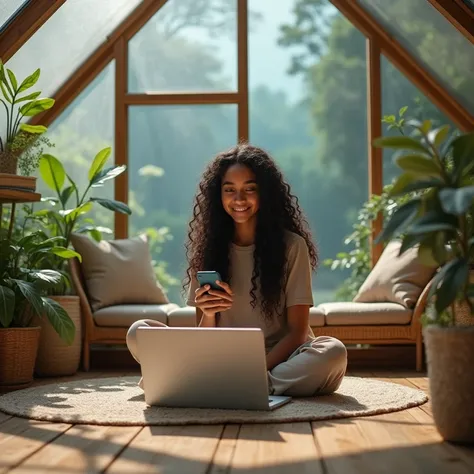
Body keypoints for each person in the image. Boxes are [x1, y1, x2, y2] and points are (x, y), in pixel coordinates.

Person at [126, 143, 347, 397]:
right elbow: (204, 337)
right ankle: (239, 386)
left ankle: (220, 384)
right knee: (138, 331)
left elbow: (298, 333)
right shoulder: (207, 248)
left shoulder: (292, 246)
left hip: (279, 359)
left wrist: (255, 369)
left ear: (265, 193)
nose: (239, 199)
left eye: (249, 189)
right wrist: (208, 315)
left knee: (333, 352)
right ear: (218, 195)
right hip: (221, 356)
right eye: (229, 190)